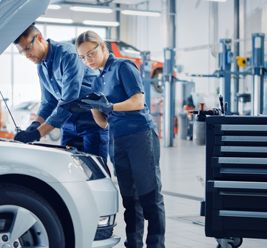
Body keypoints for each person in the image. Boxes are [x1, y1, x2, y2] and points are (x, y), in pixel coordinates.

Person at [75, 30, 165, 248]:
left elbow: (137, 102)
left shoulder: (123, 66)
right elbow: (103, 122)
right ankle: (133, 243)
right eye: (82, 57)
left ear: (103, 47)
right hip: (118, 140)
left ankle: (155, 244)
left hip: (141, 136)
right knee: (129, 198)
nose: (88, 60)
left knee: (149, 195)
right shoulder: (97, 83)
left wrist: (109, 105)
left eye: (91, 54)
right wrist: (91, 106)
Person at [13, 24, 109, 162]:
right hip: (68, 123)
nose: (27, 55)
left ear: (39, 37)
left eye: (28, 48)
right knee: (69, 169)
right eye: (22, 53)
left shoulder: (68, 55)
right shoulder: (41, 66)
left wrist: (37, 134)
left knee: (96, 171)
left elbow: (68, 100)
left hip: (91, 121)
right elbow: (48, 102)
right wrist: (34, 125)